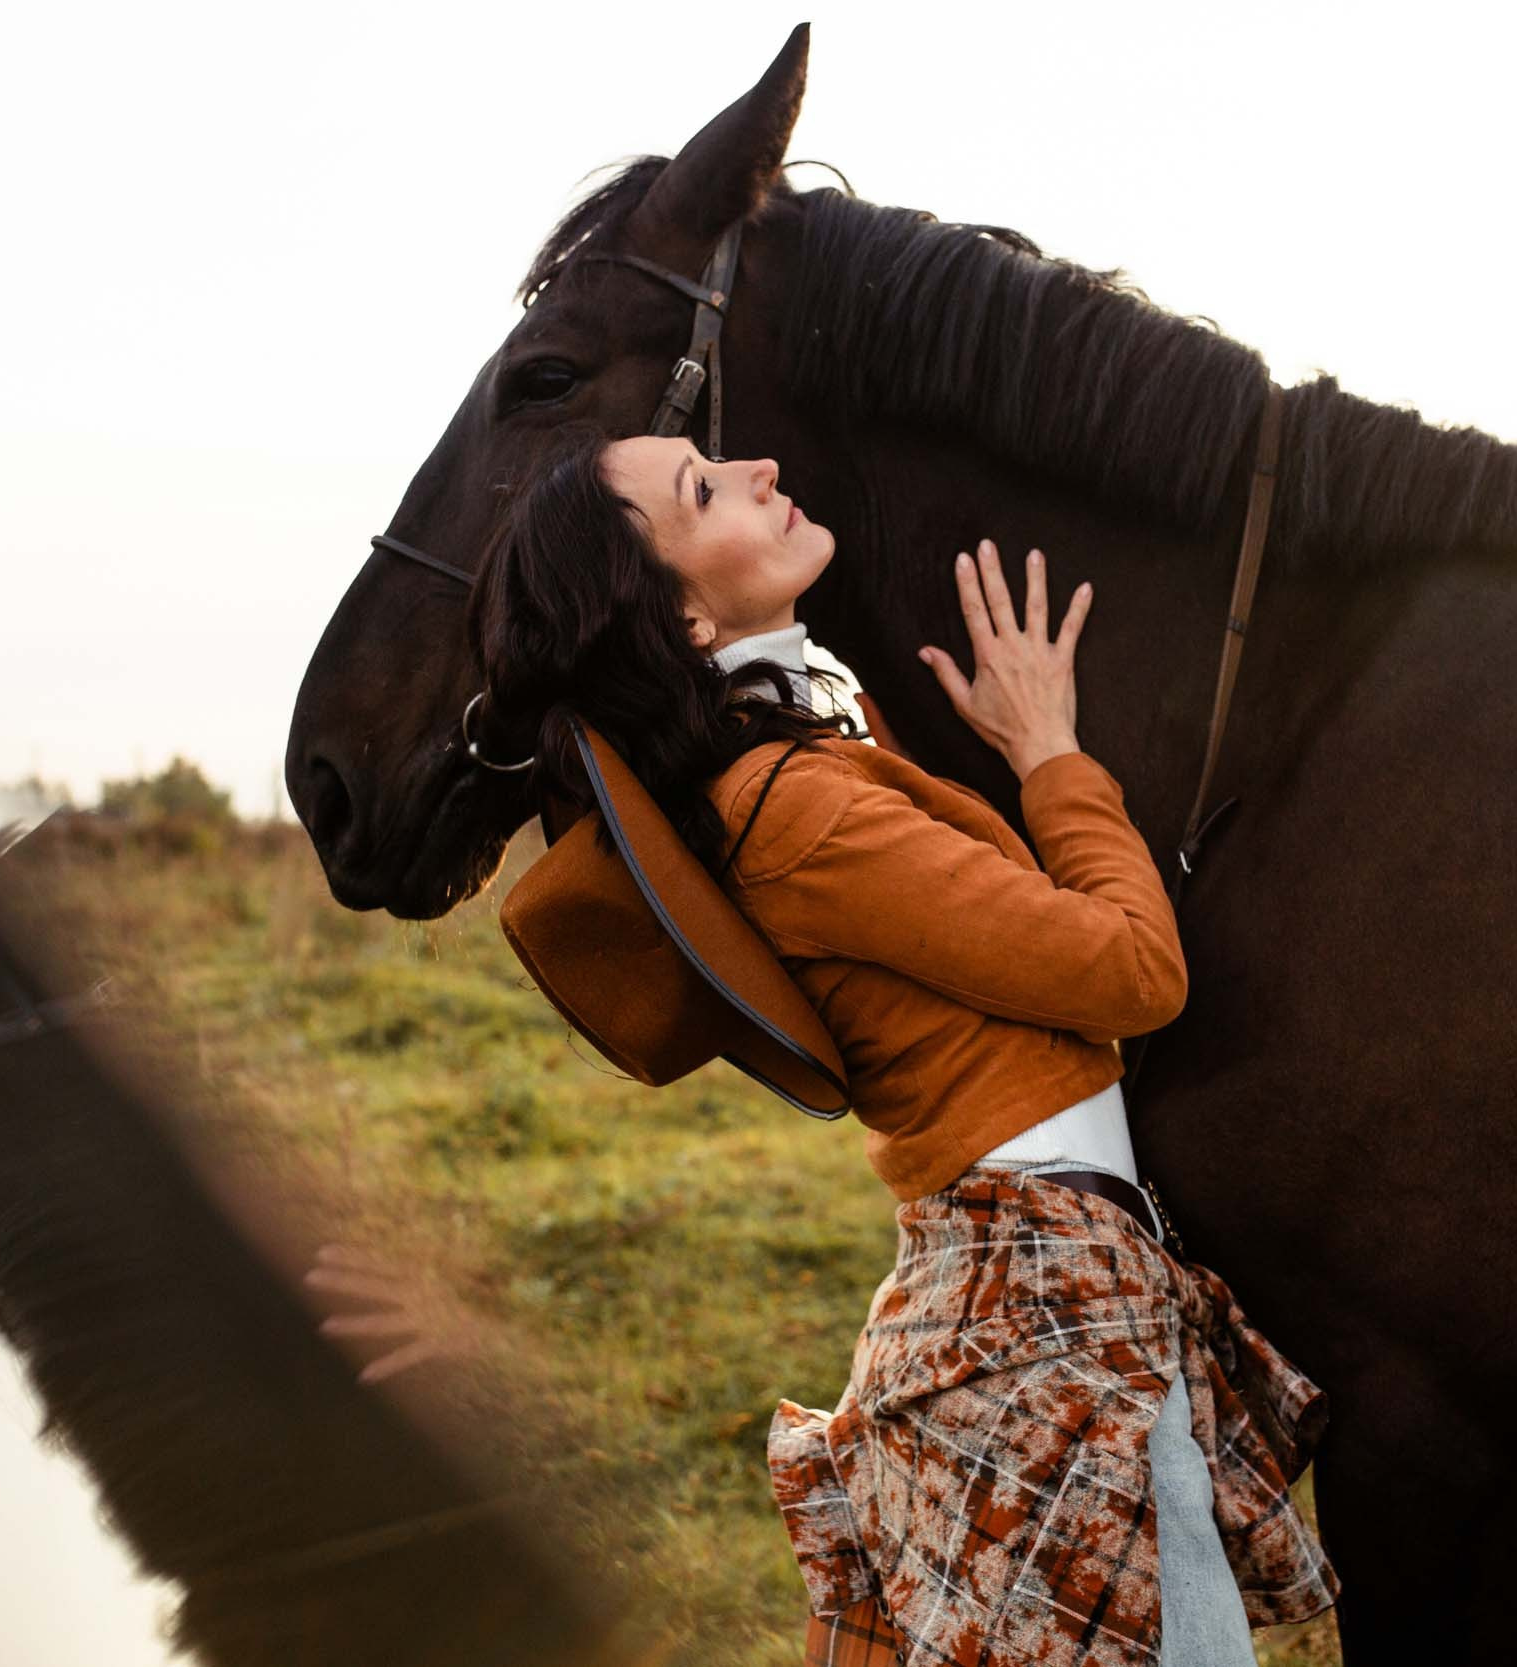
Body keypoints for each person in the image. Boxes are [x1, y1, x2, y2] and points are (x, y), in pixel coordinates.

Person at [467, 423, 1338, 1667]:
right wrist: (1052, 757)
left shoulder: (807, 752)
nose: (761, 465)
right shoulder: (796, 807)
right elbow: (1134, 973)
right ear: (688, 623)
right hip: (1043, 1320)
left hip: (1048, 1282)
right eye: (703, 488)